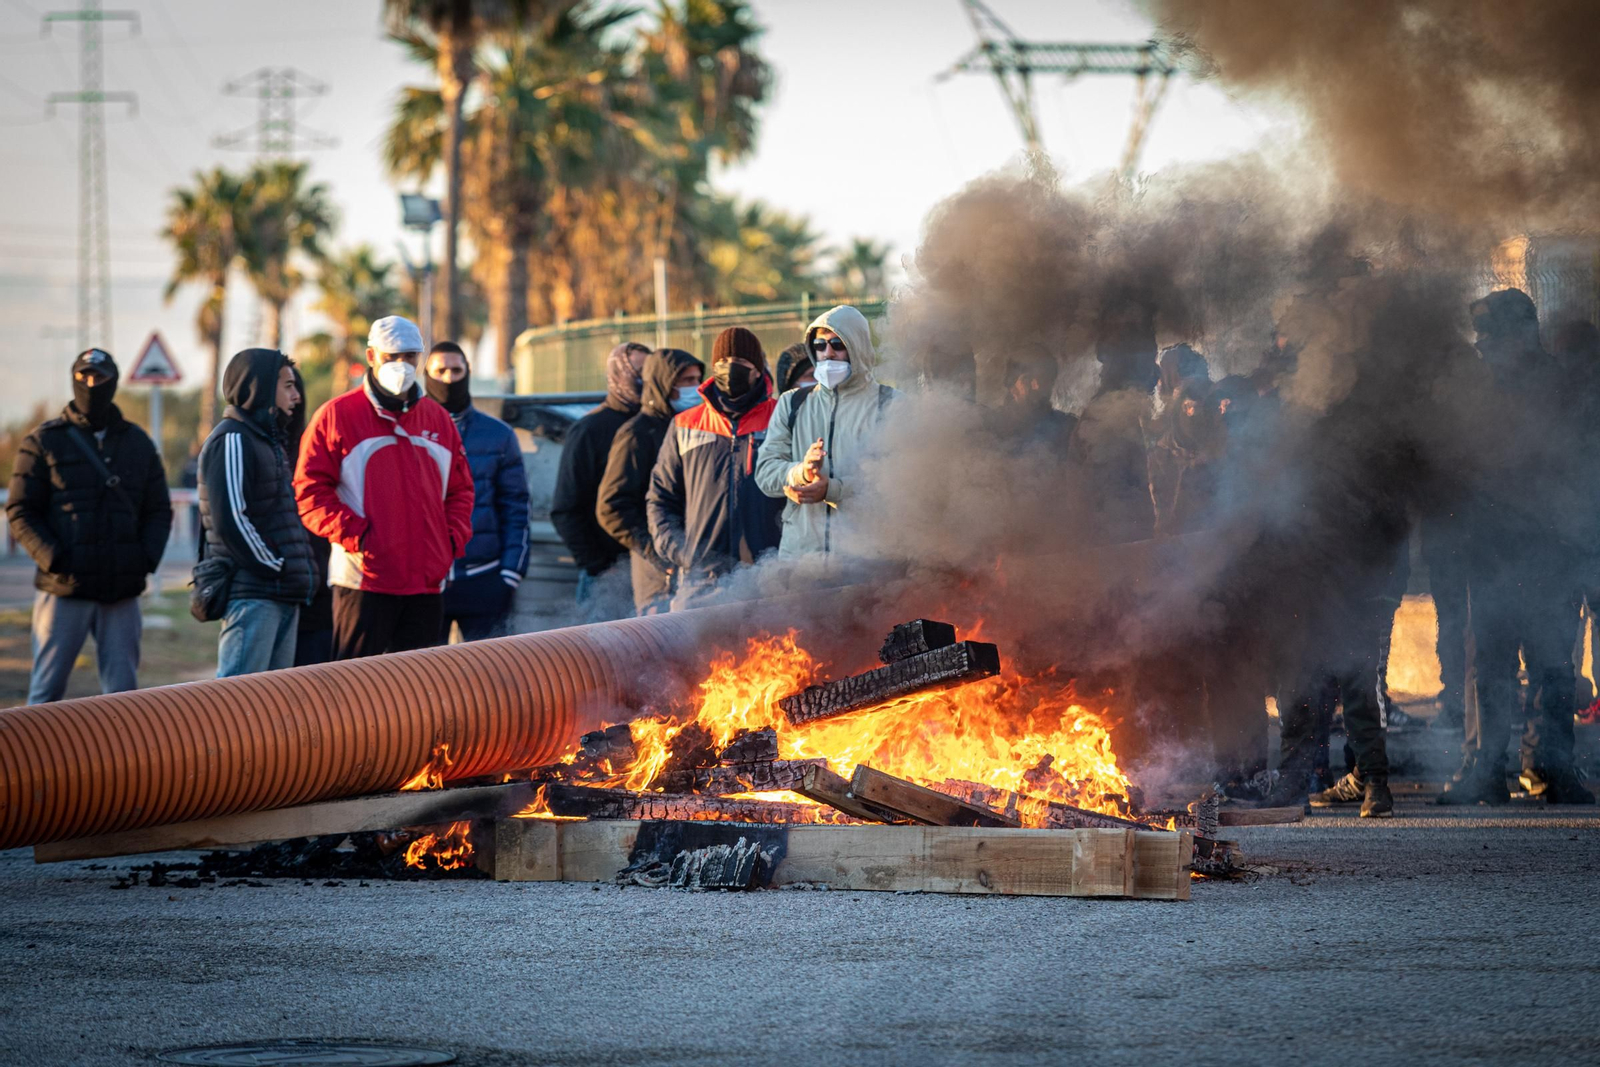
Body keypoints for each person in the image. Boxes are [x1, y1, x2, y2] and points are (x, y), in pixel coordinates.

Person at [1441, 290, 1594, 805]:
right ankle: (1488, 771)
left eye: (1492, 336)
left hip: (1550, 549)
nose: (1482, 346)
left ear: (1522, 334)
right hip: (1493, 550)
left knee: (1552, 665)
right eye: (1481, 336)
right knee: (1492, 667)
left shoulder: (1562, 387)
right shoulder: (1476, 392)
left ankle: (1555, 769)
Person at [294, 315, 474, 660]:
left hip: (426, 582)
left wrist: (449, 540)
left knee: (421, 692)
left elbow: (461, 491)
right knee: (355, 691)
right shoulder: (336, 415)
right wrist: (358, 537)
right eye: (392, 356)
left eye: (410, 356)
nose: (402, 365)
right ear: (372, 355)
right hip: (364, 581)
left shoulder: (437, 419)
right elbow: (309, 492)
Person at [7, 349, 172, 703]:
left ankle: (126, 760)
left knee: (124, 698)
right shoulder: (43, 441)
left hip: (121, 592)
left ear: (113, 381)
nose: (91, 385)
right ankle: (38, 760)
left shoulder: (137, 442)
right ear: (73, 379)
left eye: (99, 377)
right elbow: (20, 510)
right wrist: (55, 558)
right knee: (45, 695)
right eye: (84, 377)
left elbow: (158, 509)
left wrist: (143, 560)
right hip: (63, 589)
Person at [198, 349, 316, 677]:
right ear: (260, 387)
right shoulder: (233, 439)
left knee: (272, 711)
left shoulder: (268, 440)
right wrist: (274, 565)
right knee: (236, 707)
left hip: (281, 592)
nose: (296, 395)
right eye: (288, 386)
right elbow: (231, 519)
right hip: (255, 595)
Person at [647, 326, 783, 608]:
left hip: (769, 583)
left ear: (758, 369)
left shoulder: (782, 417)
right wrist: (685, 554)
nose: (730, 369)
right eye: (722, 362)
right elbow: (660, 500)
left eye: (741, 363)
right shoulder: (685, 424)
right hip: (701, 585)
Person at [756, 305, 893, 560]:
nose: (828, 353)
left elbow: (900, 486)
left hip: (867, 563)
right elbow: (764, 472)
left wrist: (832, 490)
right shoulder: (791, 402)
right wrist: (800, 473)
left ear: (858, 346)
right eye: (820, 345)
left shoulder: (890, 403)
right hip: (800, 562)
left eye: (837, 344)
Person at [423, 340, 531, 641]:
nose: (448, 379)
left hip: (486, 576)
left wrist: (510, 573)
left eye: (456, 370)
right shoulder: (407, 433)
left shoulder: (499, 435)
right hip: (425, 581)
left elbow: (516, 506)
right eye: (440, 370)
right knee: (422, 682)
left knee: (488, 682)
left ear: (467, 372)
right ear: (427, 375)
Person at [595, 347, 704, 615]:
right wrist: (656, 550)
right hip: (658, 571)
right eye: (686, 381)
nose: (696, 388)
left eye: (698, 379)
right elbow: (611, 506)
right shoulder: (636, 435)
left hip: (694, 563)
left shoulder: (692, 427)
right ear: (664, 383)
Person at [551, 341, 649, 607]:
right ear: (619, 373)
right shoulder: (589, 430)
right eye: (637, 370)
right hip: (607, 578)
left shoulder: (657, 425)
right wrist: (600, 566)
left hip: (652, 571)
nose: (646, 379)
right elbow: (566, 509)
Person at [283, 365, 334, 667]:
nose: (294, 397)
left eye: (295, 388)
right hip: (271, 593)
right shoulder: (244, 446)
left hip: (319, 595)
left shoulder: (314, 447)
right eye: (285, 387)